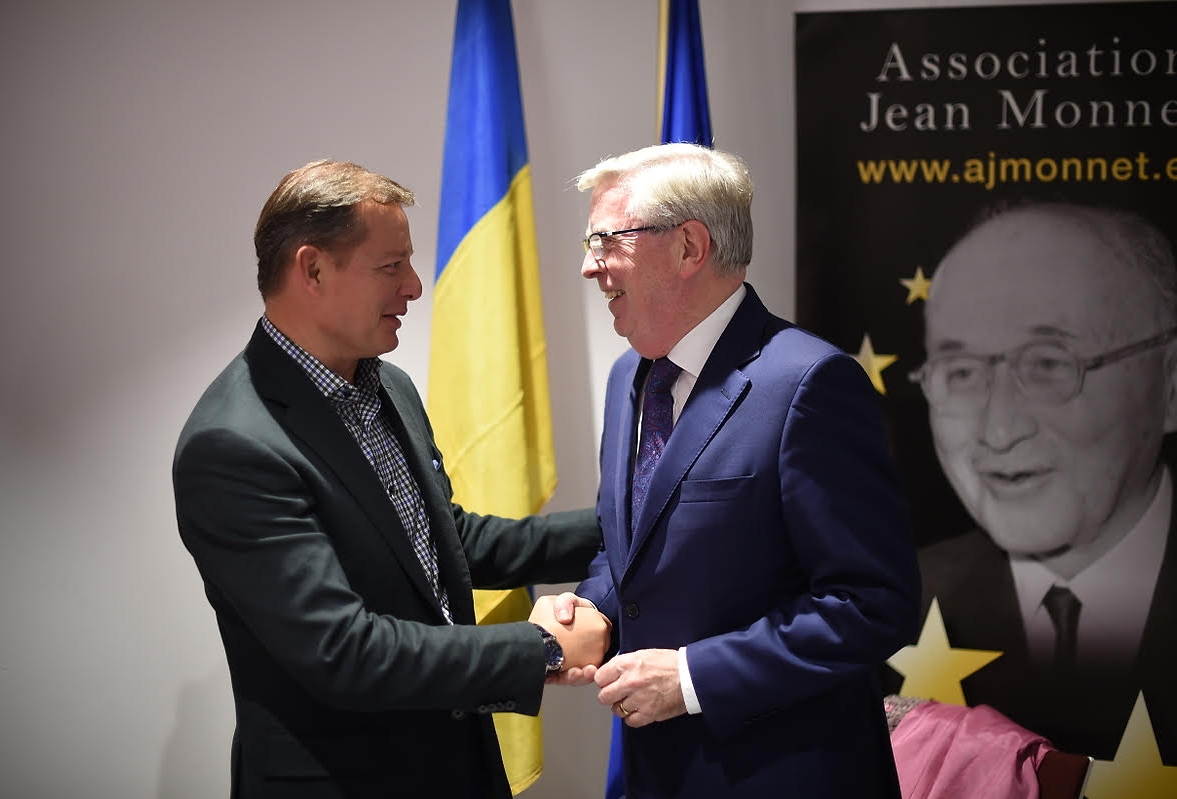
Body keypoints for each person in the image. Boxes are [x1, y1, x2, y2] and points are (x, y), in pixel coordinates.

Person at [172, 159, 611, 798]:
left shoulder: (387, 386)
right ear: (312, 270)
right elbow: (344, 653)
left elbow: (445, 546)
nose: (414, 286)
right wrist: (541, 647)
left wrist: (631, 521)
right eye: (391, 266)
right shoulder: (233, 447)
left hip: (459, 767)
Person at [540, 142, 922, 797]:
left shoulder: (809, 382)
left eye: (606, 239)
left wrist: (692, 678)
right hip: (654, 774)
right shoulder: (629, 375)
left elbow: (874, 604)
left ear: (690, 247)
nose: (588, 264)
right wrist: (591, 610)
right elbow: (630, 547)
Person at [903, 201, 1177, 762]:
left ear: (1170, 385)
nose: (999, 430)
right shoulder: (883, 614)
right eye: (961, 373)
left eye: (1050, 364)